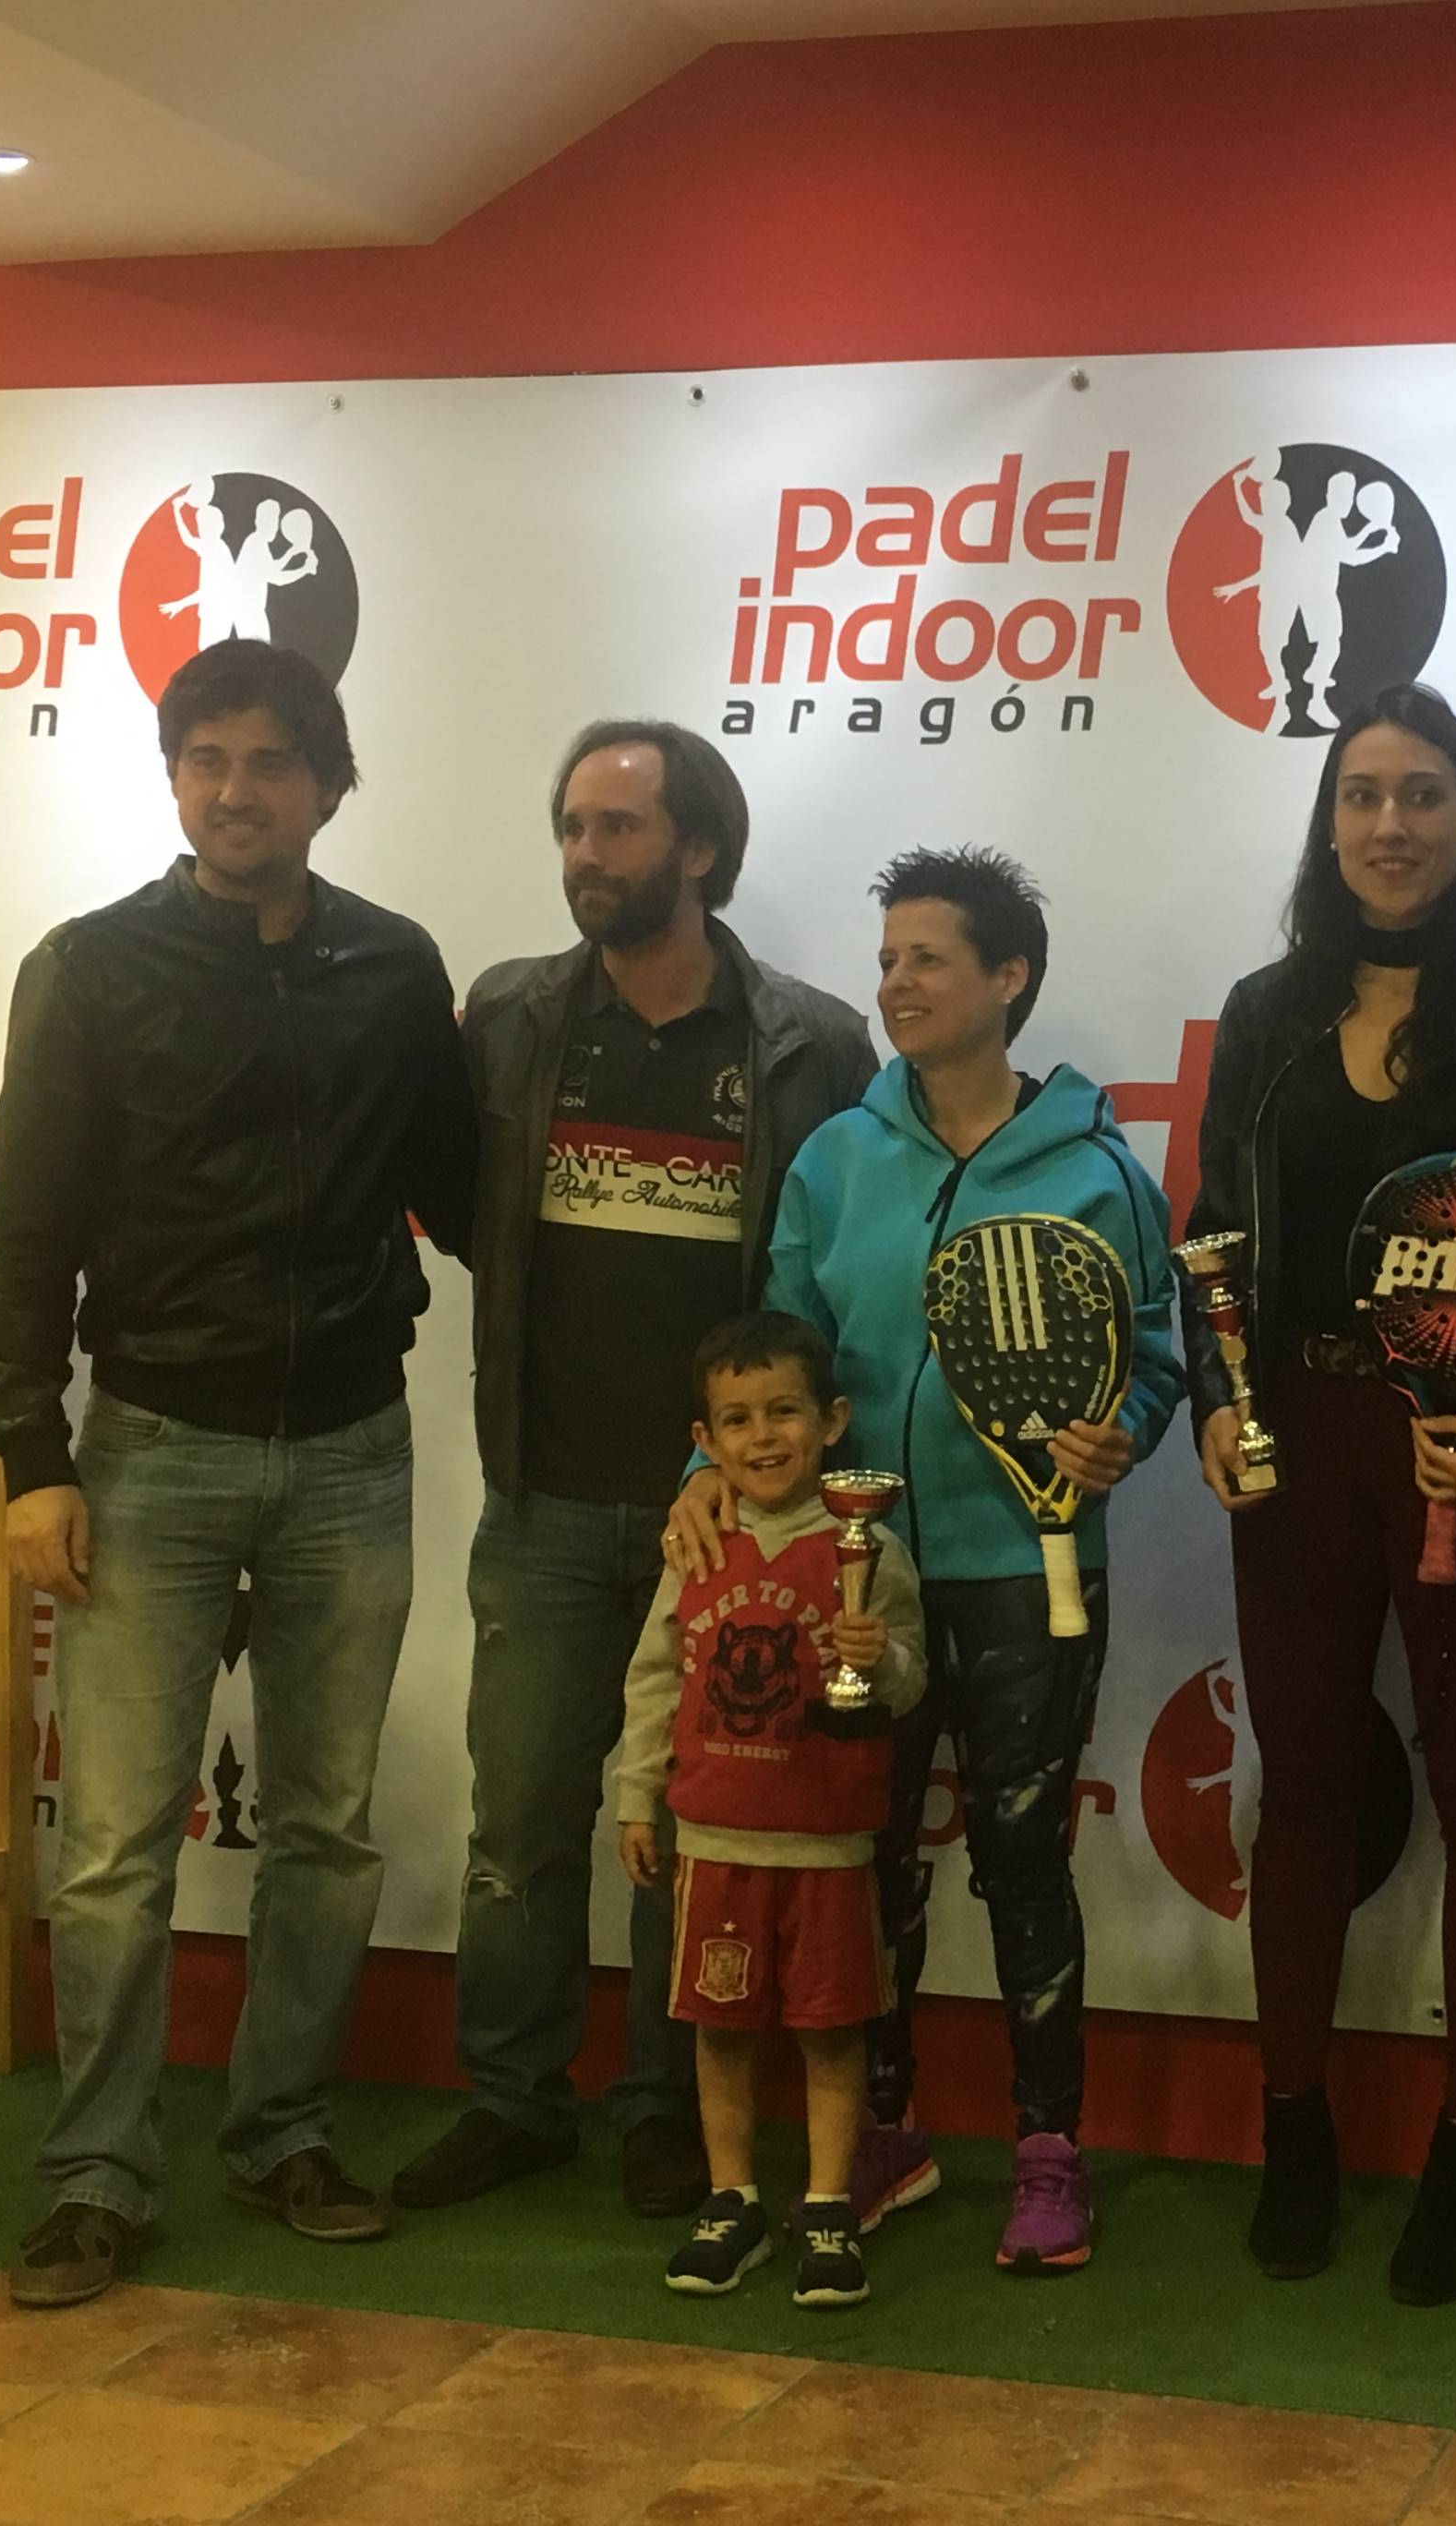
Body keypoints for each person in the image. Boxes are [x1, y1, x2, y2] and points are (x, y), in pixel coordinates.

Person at [0, 634, 475, 2310]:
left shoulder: (395, 968)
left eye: (269, 762)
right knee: (116, 1845)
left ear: (328, 785)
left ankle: (282, 2132)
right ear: (173, 779)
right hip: (150, 1452)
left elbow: (461, 1190)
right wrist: (32, 1457)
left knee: (326, 1831)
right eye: (208, 761)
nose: (236, 790)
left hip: (351, 1449)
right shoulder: (88, 968)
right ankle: (96, 2175)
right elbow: (28, 1237)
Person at [668, 846, 1183, 2274]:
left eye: (928, 960)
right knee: (866, 1863)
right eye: (888, 959)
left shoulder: (1097, 1170)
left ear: (1009, 978)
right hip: (854, 1576)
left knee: (1022, 1861)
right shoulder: (837, 1158)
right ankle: (882, 2137)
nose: (895, 984)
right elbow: (777, 1352)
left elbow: (1154, 1355)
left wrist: (1124, 1430)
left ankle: (1049, 2154)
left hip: (1030, 1567)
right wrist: (707, 1475)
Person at [394, 722, 879, 2226]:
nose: (586, 855)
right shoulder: (510, 1016)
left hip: (730, 1522)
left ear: (700, 849)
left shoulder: (809, 1043)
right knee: (522, 1826)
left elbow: (825, 1266)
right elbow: (463, 1208)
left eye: (618, 827)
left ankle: (672, 2109)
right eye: (572, 826)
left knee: (699, 1834)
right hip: (542, 1501)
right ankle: (512, 2099)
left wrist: (742, 1465)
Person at [1180, 681, 1456, 2306]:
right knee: (1303, 1790)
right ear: (1329, 822)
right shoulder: (1266, 1010)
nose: (1390, 824)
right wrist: (1219, 1409)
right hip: (1297, 1442)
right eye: (1361, 794)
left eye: (1423, 793)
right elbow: (1215, 1242)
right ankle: (1293, 2127)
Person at [611, 1312, 928, 2308]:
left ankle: (829, 2204)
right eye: (738, 1420)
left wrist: (880, 1663)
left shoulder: (870, 1548)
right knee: (722, 2030)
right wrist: (635, 1798)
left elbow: (910, 1681)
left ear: (832, 1420)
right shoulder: (697, 1546)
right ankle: (731, 2198)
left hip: (828, 1844)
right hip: (715, 1841)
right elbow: (655, 1679)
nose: (763, 1437)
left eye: (784, 1412)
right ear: (704, 1442)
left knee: (833, 2031)